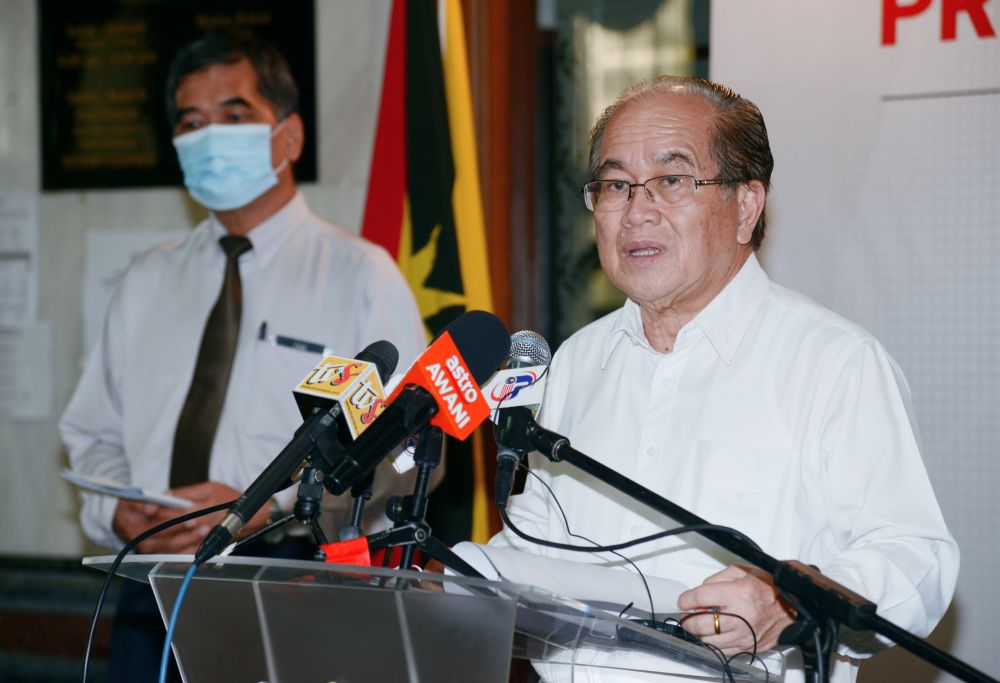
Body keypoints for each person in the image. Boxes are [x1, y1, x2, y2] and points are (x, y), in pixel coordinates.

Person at [491, 75, 958, 682]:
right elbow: (538, 549)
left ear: (745, 207)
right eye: (615, 185)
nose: (637, 210)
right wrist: (440, 582)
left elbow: (916, 560)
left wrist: (790, 601)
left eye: (672, 180)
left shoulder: (836, 362)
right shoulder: (578, 362)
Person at [60, 31, 426, 681]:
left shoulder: (358, 276)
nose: (208, 139)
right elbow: (91, 435)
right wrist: (113, 511)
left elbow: (406, 452)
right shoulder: (147, 279)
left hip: (291, 586)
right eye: (191, 123)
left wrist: (278, 506)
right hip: (148, 589)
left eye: (233, 117)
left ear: (288, 137)